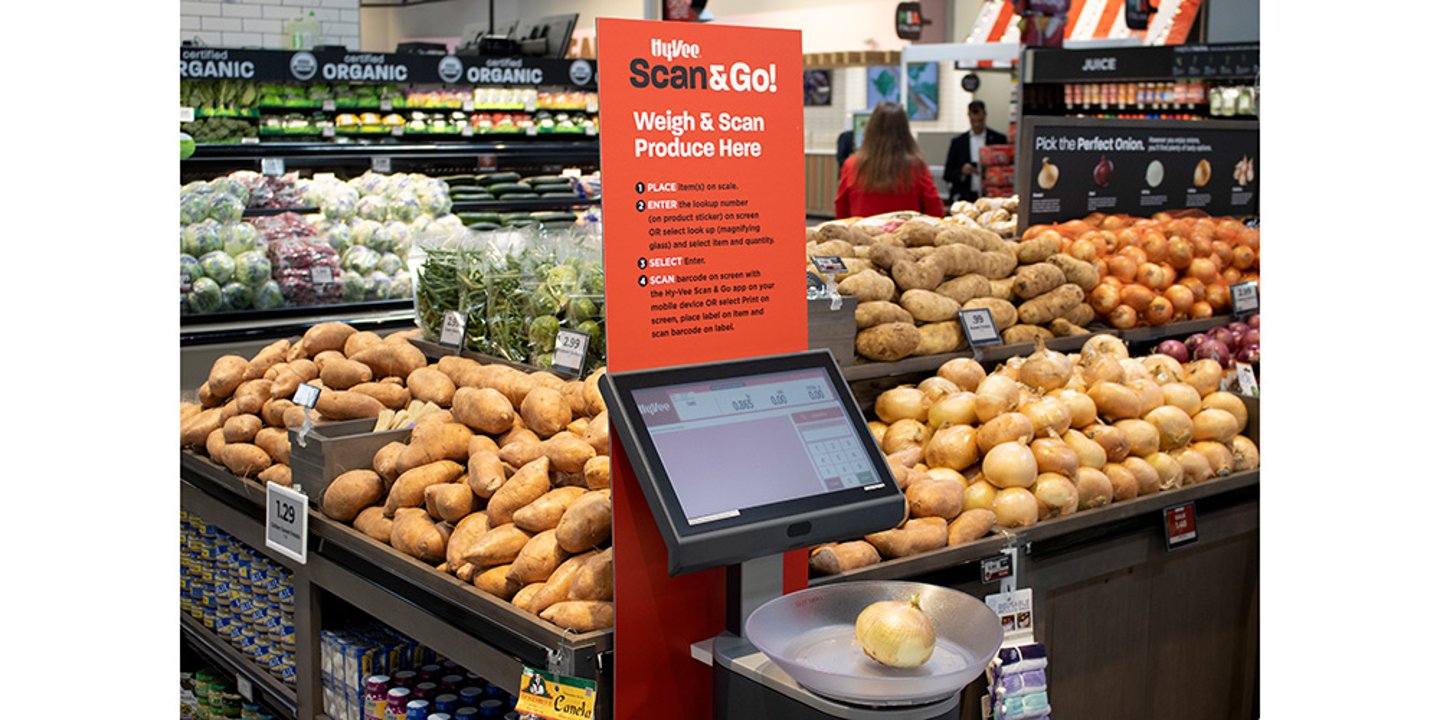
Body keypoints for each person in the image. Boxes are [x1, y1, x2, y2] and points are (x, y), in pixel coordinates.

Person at [834, 102, 945, 219]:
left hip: (861, 234)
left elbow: (842, 212)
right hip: (905, 235)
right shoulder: (917, 166)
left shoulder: (851, 165)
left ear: (871, 128)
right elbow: (935, 211)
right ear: (904, 130)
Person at [943, 100, 1008, 203]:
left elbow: (1007, 169)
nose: (977, 125)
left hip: (991, 196)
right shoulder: (958, 143)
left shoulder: (999, 140)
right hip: (965, 196)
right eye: (974, 121)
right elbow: (947, 174)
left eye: (980, 120)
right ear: (968, 116)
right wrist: (962, 172)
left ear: (985, 115)